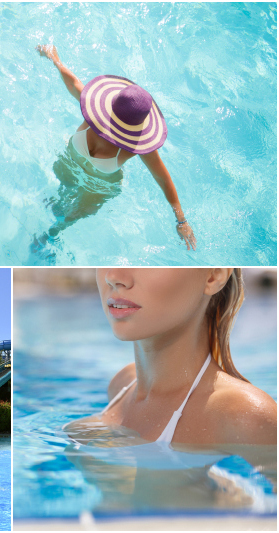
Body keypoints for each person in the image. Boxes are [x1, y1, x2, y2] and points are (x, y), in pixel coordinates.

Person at [65, 269, 276, 448]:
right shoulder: (122, 384)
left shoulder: (243, 414)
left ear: (214, 275)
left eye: (149, 260)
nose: (113, 276)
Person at [36, 45, 196, 251]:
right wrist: (54, 58)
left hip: (100, 186)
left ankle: (52, 233)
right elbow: (72, 81)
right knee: (60, 193)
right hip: (70, 162)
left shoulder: (137, 146)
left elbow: (163, 179)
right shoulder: (92, 109)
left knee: (70, 216)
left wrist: (181, 220)